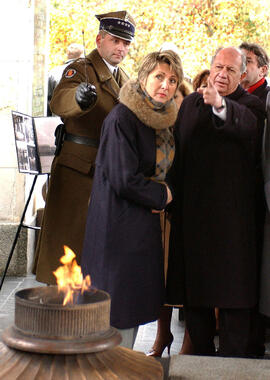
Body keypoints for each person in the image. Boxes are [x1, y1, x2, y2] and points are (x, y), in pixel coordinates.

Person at [166, 47, 265, 357]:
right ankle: (200, 359)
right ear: (209, 69)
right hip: (194, 217)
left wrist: (221, 105)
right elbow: (177, 152)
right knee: (196, 297)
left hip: (234, 222)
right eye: (218, 67)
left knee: (235, 297)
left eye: (231, 70)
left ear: (243, 75)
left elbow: (245, 125)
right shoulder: (192, 103)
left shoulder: (253, 106)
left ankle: (233, 364)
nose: (222, 74)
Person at [81, 50, 183, 348]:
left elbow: (166, 168)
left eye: (173, 80)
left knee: (132, 308)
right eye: (159, 77)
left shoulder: (162, 119)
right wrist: (163, 195)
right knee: (116, 312)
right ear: (143, 78)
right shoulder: (122, 117)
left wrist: (168, 191)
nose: (165, 85)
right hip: (118, 228)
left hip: (141, 228)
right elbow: (122, 177)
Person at [33, 11, 136, 285]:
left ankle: (87, 305)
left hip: (109, 169)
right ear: (99, 39)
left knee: (97, 246)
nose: (121, 48)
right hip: (79, 169)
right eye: (116, 41)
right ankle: (59, 307)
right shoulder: (80, 68)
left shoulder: (124, 76)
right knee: (67, 244)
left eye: (126, 43)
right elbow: (61, 100)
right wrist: (78, 98)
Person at [147, 79, 194, 357]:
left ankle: (190, 342)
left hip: (188, 213)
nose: (171, 100)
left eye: (177, 96)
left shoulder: (192, 129)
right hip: (160, 211)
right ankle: (162, 335)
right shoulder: (155, 127)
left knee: (187, 280)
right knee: (160, 280)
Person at [240, 42, 270, 357]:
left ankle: (253, 341)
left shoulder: (265, 100)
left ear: (262, 69)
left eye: (247, 61)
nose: (242, 66)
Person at [47, 43, 84, 116]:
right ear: (81, 56)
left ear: (68, 54)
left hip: (57, 121)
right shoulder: (88, 73)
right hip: (79, 122)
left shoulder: (53, 72)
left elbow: (47, 100)